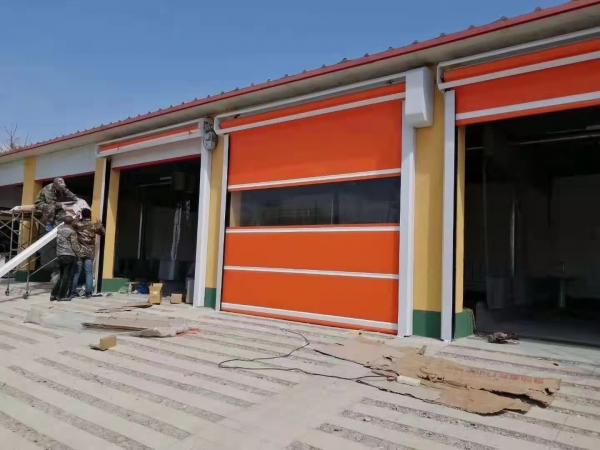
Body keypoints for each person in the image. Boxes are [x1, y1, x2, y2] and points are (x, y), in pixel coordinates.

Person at [71, 208, 105, 298]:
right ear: (90, 215)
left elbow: (71, 223)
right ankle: (88, 293)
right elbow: (103, 233)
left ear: (82, 215)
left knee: (76, 272)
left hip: (79, 252)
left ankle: (73, 292)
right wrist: (100, 224)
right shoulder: (93, 225)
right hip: (89, 252)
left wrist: (77, 217)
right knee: (89, 273)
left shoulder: (77, 224)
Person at [50, 216, 81, 301]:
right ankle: (62, 296)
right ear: (71, 222)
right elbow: (74, 245)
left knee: (61, 276)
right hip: (69, 255)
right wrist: (79, 254)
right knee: (66, 277)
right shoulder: (72, 232)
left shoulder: (59, 229)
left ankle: (53, 294)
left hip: (60, 255)